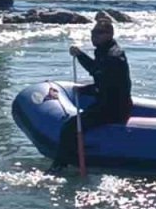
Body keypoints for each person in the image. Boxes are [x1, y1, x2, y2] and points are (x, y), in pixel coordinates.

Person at [54, 19, 132, 170]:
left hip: (114, 108)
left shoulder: (114, 56)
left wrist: (80, 56)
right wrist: (85, 88)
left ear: (110, 34)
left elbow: (101, 77)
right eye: (92, 33)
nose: (94, 36)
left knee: (69, 127)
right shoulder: (103, 51)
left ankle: (61, 166)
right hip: (107, 102)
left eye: (98, 33)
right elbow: (100, 76)